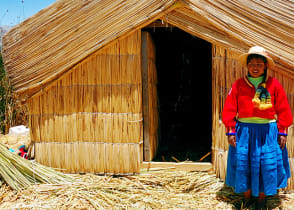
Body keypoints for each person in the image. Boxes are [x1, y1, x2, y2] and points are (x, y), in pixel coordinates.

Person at [222, 46, 292, 209]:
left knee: (266, 165)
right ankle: (247, 199)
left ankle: (261, 200)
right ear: (247, 65)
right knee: (244, 164)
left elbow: (283, 108)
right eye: (252, 64)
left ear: (265, 66)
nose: (255, 67)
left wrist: (282, 131)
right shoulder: (239, 85)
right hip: (244, 132)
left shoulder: (273, 85)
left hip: (267, 133)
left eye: (259, 64)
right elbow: (230, 108)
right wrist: (231, 130)